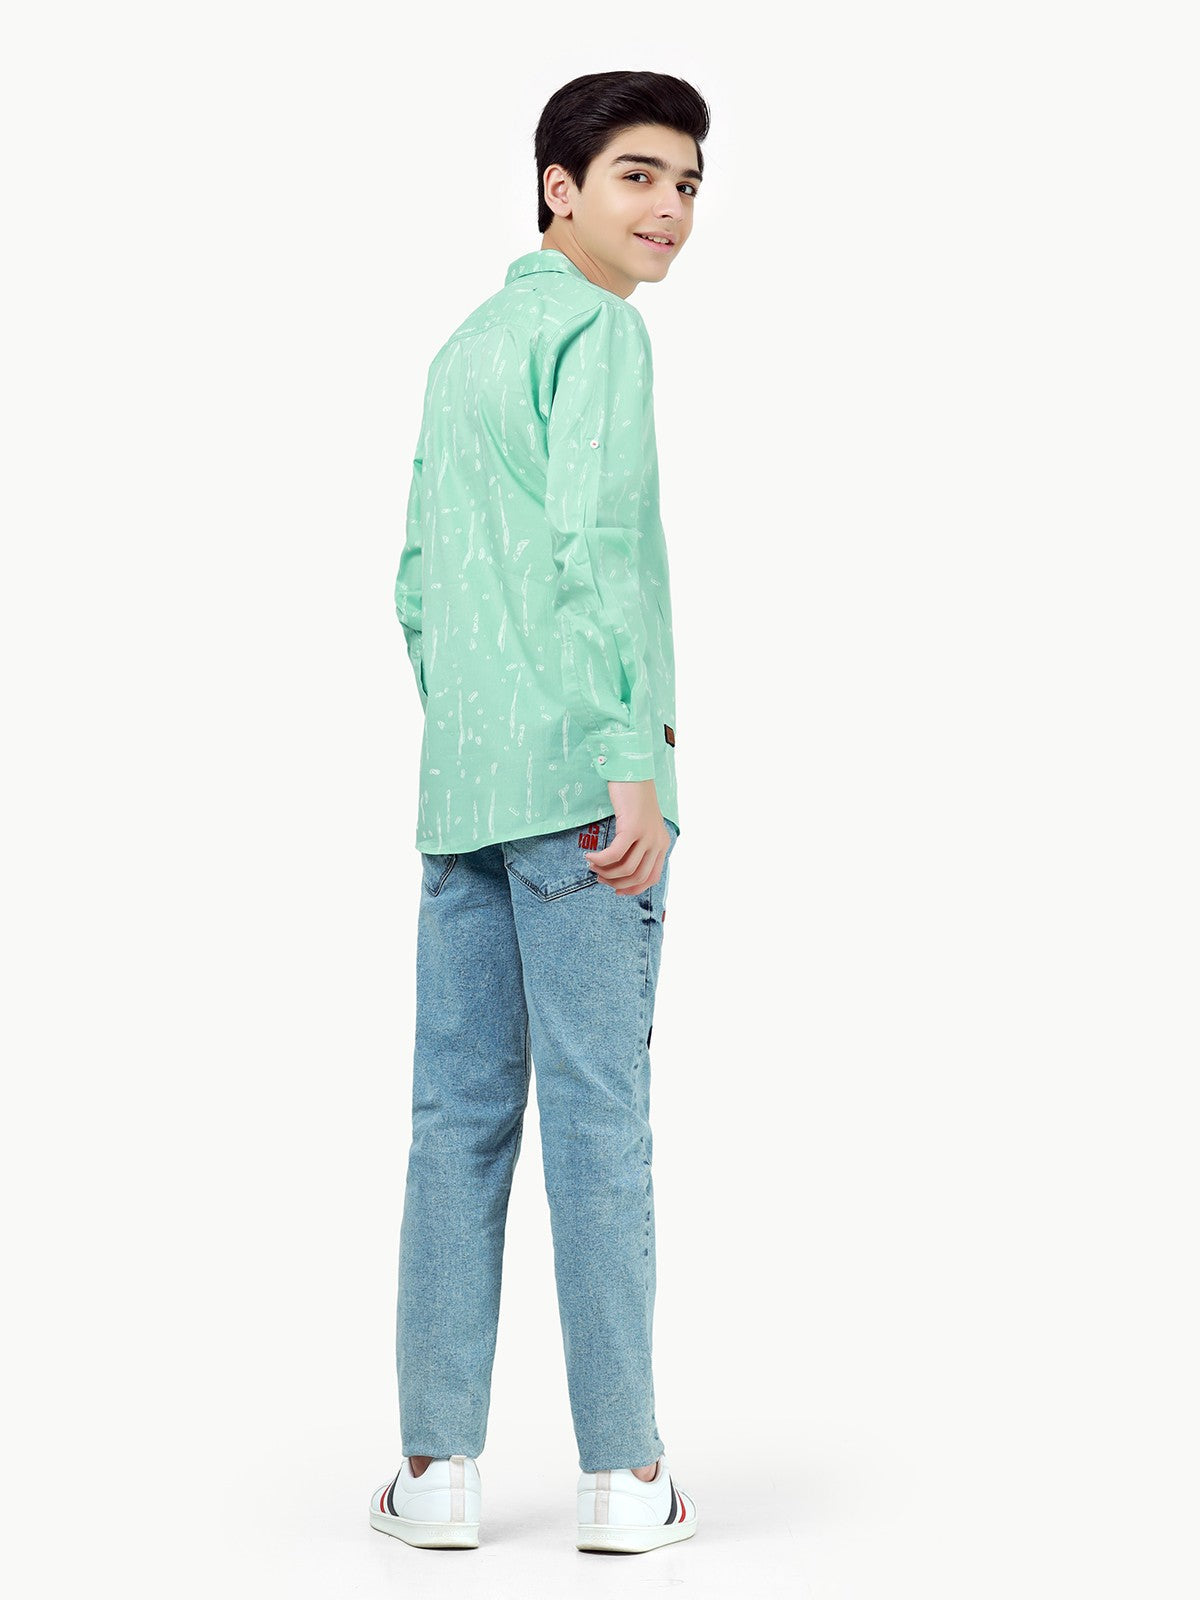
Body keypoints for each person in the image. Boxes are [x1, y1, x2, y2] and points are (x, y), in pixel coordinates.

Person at [369, 69, 709, 1556]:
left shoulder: (466, 347)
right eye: (639, 175)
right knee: (597, 1123)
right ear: (559, 188)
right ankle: (625, 1478)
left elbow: (416, 583)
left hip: (466, 792)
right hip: (585, 792)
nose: (670, 209)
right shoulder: (599, 334)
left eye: (687, 184)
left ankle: (434, 1474)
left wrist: (473, 728)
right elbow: (595, 545)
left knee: (455, 1124)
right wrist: (626, 757)